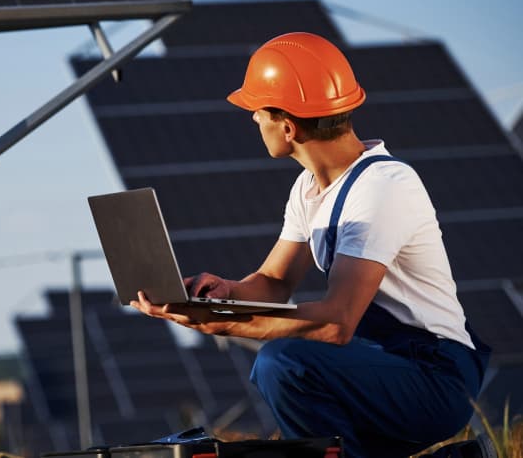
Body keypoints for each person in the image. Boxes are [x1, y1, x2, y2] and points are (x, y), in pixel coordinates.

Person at [130, 32, 491, 458]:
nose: (253, 119)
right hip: (379, 363)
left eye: (258, 110)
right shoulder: (309, 189)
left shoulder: (382, 187)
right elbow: (273, 282)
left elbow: (336, 322)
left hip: (434, 376)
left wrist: (227, 324)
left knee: (284, 364)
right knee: (289, 369)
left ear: (288, 127)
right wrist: (224, 295)